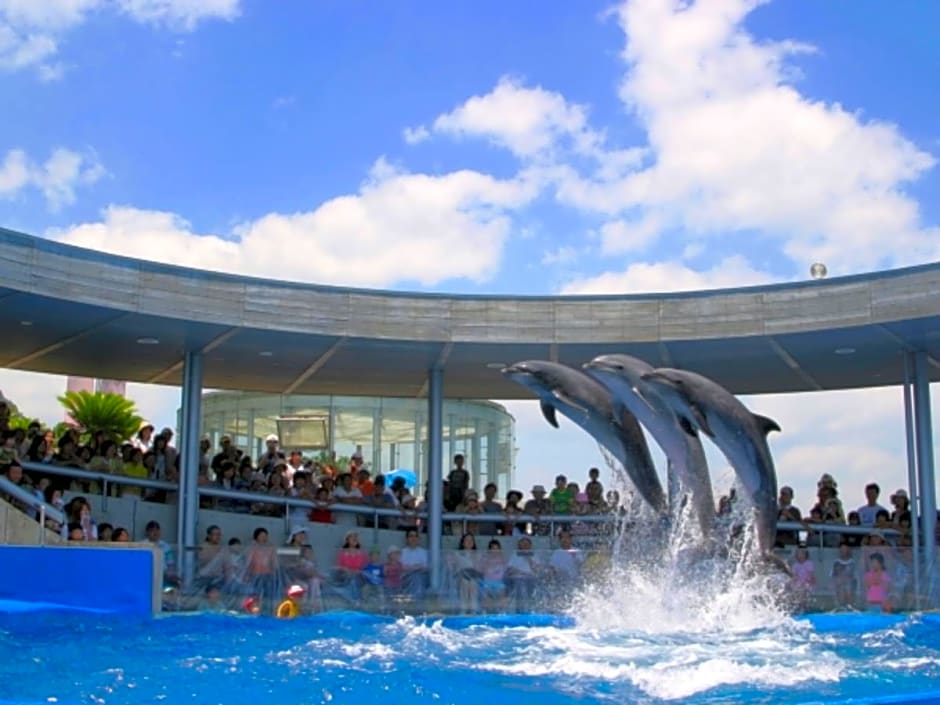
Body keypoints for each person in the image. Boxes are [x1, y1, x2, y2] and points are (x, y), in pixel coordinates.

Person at [831, 542, 857, 609]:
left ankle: (850, 606)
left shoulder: (853, 562)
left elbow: (855, 577)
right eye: (842, 549)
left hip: (850, 586)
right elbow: (833, 575)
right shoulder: (836, 562)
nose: (843, 551)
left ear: (848, 550)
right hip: (839, 585)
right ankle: (840, 606)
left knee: (848, 587)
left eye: (845, 549)